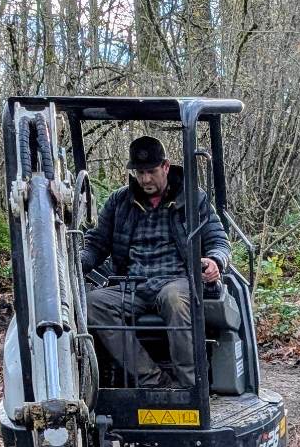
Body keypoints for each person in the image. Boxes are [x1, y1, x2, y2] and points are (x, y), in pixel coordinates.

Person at [81, 135, 231, 388]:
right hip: (133, 284)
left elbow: (219, 241)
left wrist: (216, 261)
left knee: (174, 298)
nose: (145, 179)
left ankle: (191, 387)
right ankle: (152, 380)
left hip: (176, 280)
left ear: (165, 166)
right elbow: (96, 244)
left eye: (151, 171)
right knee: (92, 303)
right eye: (140, 173)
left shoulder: (193, 199)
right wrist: (76, 263)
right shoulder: (120, 202)